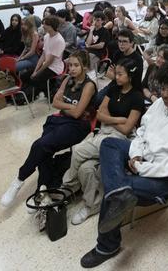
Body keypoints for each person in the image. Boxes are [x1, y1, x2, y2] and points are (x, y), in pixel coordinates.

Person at [79, 62, 168, 268]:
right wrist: (137, 153)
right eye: (162, 88)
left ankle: (107, 246)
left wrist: (142, 168)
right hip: (146, 160)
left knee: (114, 196)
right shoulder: (159, 105)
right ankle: (118, 190)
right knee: (110, 144)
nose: (164, 94)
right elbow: (142, 132)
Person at [1, 50, 97, 208]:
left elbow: (78, 113)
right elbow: (55, 103)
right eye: (70, 65)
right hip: (59, 120)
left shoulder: (89, 85)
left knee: (40, 145)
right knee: (45, 150)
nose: (71, 69)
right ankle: (42, 189)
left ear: (84, 67)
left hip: (78, 125)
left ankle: (19, 180)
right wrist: (71, 106)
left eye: (76, 65)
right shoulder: (67, 79)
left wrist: (67, 107)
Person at [61, 57, 145, 225]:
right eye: (116, 73)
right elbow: (99, 115)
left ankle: (68, 186)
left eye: (120, 74)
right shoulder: (114, 89)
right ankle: (92, 205)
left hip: (120, 139)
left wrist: (111, 119)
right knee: (86, 169)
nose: (116, 76)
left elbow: (128, 129)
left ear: (130, 76)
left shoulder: (137, 97)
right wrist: (120, 119)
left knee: (77, 150)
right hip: (106, 131)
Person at [95, 29, 144, 107]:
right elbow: (109, 73)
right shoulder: (118, 53)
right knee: (96, 100)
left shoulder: (137, 59)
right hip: (114, 85)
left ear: (131, 43)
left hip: (130, 89)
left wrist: (115, 75)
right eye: (119, 41)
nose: (121, 44)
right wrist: (119, 76)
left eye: (124, 41)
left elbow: (134, 81)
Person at [21, 16, 65, 100]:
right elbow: (43, 55)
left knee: (35, 78)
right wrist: (35, 70)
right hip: (46, 65)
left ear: (52, 26)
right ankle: (34, 93)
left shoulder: (59, 40)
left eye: (45, 24)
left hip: (54, 68)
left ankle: (43, 92)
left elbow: (49, 61)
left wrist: (37, 72)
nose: (43, 26)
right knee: (24, 76)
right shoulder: (46, 36)